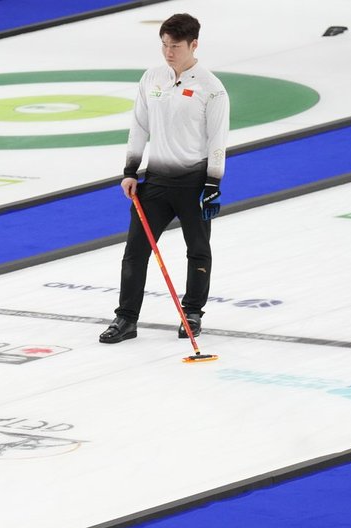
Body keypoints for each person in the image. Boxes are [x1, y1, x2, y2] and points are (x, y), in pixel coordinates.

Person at [99, 13, 229, 344]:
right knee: (134, 251)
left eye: (175, 46)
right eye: (164, 45)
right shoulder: (152, 78)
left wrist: (213, 185)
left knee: (198, 249)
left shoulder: (211, 89)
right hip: (155, 183)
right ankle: (126, 319)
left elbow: (217, 141)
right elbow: (139, 125)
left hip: (193, 183)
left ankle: (192, 313)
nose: (168, 52)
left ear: (193, 45)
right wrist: (131, 171)